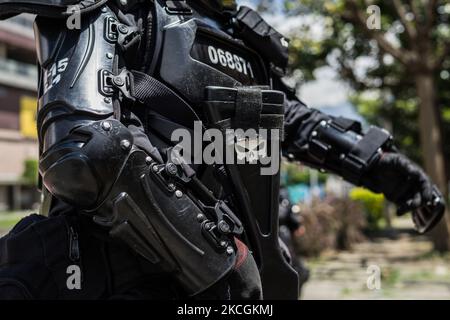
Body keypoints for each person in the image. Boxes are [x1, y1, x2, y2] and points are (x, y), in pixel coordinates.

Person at [0, 0, 444, 300]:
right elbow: (86, 152)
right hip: (115, 266)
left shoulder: (243, 40)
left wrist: (395, 174)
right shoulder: (122, 11)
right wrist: (220, 263)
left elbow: (292, 121)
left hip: (244, 276)